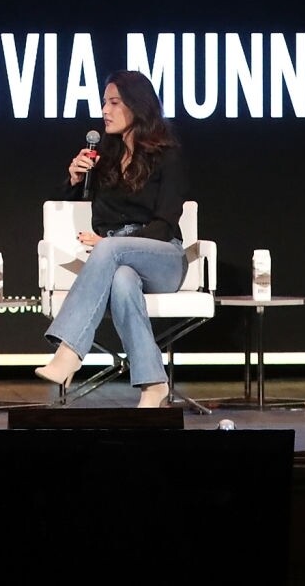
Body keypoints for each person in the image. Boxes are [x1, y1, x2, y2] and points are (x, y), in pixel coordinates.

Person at [34, 69, 191, 407]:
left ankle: (70, 349)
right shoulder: (103, 158)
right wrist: (74, 180)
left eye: (114, 102)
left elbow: (165, 225)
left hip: (163, 257)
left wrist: (114, 244)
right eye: (104, 102)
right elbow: (66, 205)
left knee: (111, 251)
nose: (105, 110)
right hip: (118, 258)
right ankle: (154, 383)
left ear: (138, 105)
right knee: (122, 281)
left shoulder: (167, 155)